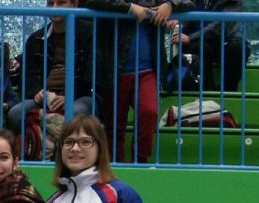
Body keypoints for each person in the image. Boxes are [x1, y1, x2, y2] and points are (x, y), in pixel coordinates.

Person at [83, 0, 194, 163]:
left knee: (149, 111)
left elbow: (189, 3)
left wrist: (170, 5)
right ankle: (115, 166)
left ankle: (140, 162)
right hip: (113, 70)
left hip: (147, 70)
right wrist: (129, 8)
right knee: (114, 125)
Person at [8, 0, 98, 137]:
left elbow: (90, 75)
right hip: (45, 98)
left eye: (61, 3)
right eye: (50, 3)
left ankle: (65, 148)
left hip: (80, 96)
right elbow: (28, 75)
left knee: (75, 112)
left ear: (75, 4)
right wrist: (37, 92)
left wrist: (68, 96)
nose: (55, 7)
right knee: (15, 114)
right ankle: (35, 147)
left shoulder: (90, 33)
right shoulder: (36, 39)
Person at [176, 0, 248, 93]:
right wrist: (173, 18)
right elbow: (175, 5)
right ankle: (206, 91)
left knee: (238, 47)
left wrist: (191, 37)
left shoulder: (234, 2)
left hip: (223, 42)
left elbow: (222, 25)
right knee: (202, 48)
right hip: (197, 44)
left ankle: (228, 91)